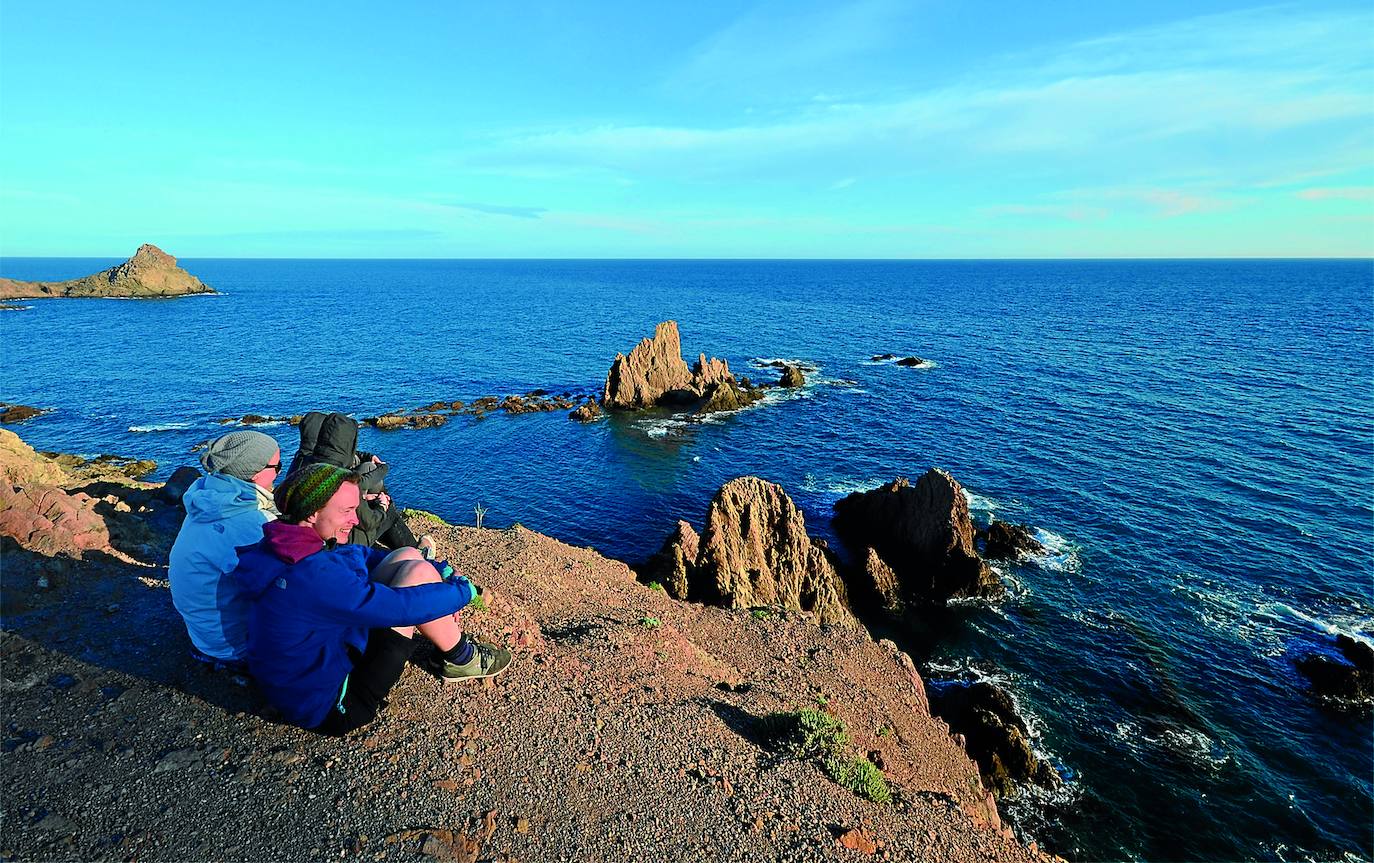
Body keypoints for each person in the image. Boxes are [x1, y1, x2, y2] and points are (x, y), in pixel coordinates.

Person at [233, 463, 511, 735]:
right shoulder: (312, 577)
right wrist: (463, 590)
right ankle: (462, 658)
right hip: (332, 707)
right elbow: (402, 608)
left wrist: (440, 569)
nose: (355, 520)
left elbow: (356, 556)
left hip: (297, 681)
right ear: (312, 513)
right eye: (347, 511)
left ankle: (454, 647)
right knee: (419, 575)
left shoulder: (283, 544)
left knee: (410, 557)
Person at [167, 430, 282, 671]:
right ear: (254, 473)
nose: (280, 472)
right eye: (276, 466)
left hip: (202, 630)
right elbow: (285, 585)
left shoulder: (209, 499)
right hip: (229, 646)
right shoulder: (249, 522)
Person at [288, 411, 419, 550]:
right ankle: (416, 551)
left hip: (311, 534)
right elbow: (369, 522)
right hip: (340, 541)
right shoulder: (342, 479)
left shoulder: (302, 466)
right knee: (387, 513)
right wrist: (382, 507)